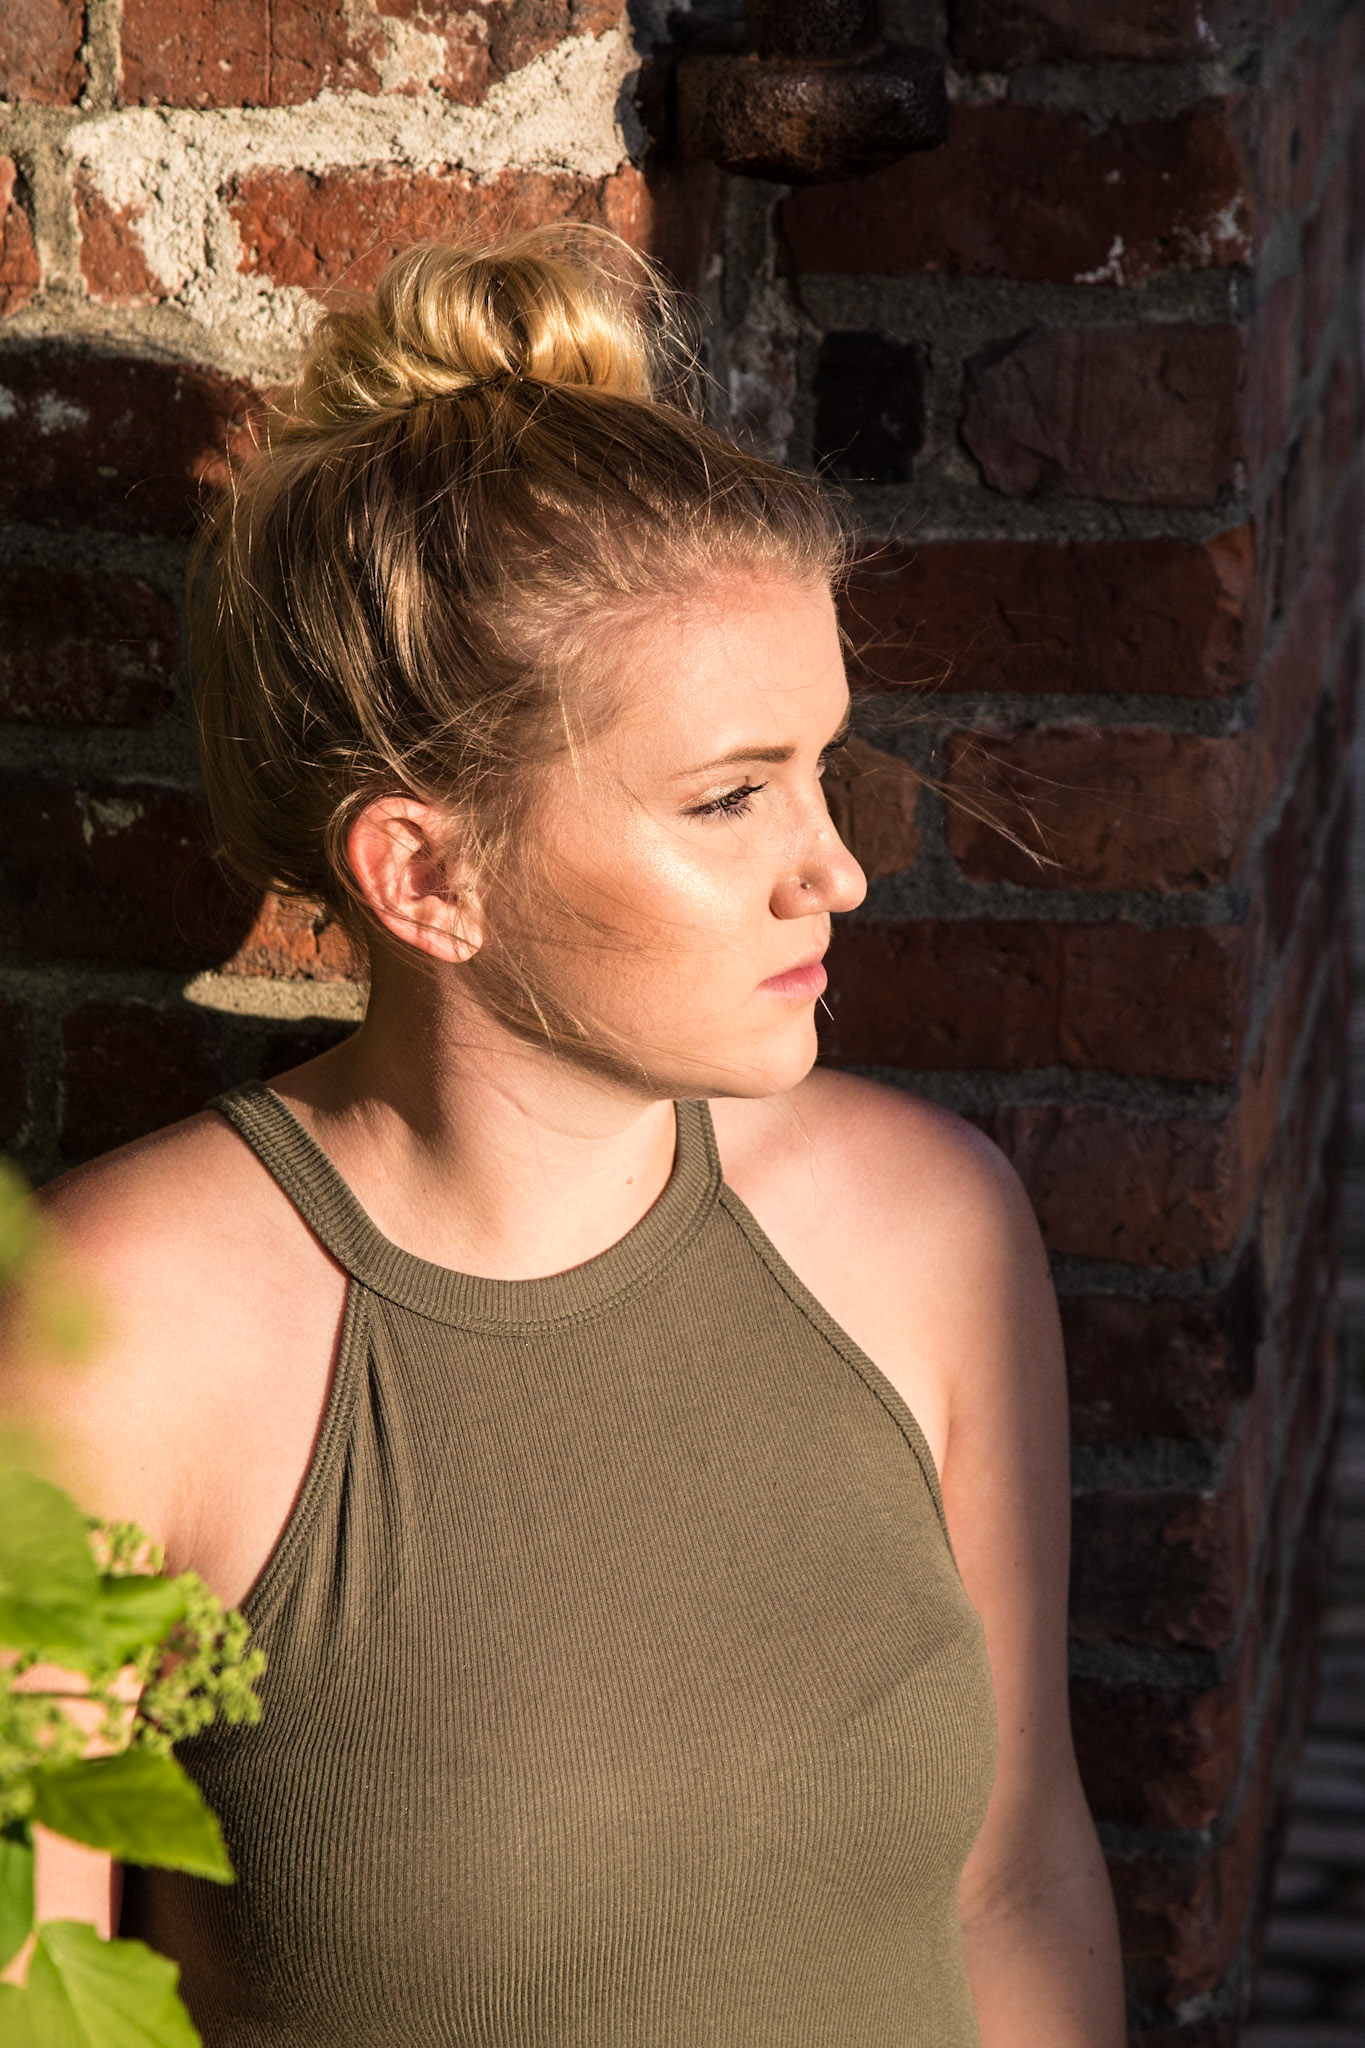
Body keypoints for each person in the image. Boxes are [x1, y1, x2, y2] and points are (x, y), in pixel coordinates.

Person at [19, 229, 1124, 2045]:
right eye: (730, 796)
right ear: (423, 875)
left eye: (821, 767)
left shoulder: (925, 1231)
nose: (834, 869)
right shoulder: (119, 1336)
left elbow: (1013, 1885)